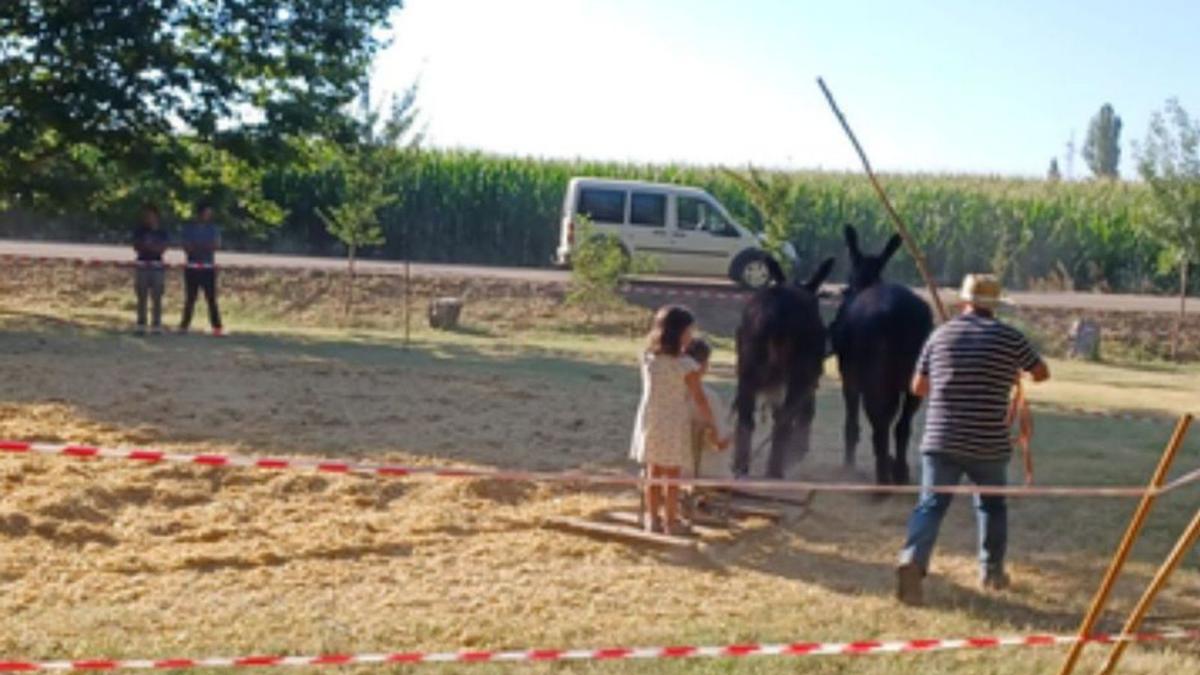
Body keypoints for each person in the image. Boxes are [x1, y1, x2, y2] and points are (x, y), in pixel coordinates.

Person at [897, 274, 1050, 605]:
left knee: (930, 505)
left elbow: (918, 388)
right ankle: (992, 572)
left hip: (941, 438)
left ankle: (913, 559)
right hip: (988, 441)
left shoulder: (940, 336)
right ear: (994, 306)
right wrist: (1011, 370)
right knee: (992, 506)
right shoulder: (1010, 338)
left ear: (964, 301)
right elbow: (1042, 372)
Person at [630, 306, 723, 535]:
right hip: (672, 421)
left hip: (651, 419)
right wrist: (713, 424)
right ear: (678, 333)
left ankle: (653, 520)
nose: (691, 336)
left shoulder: (648, 358)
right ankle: (670, 521)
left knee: (653, 471)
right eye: (689, 331)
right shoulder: (684, 365)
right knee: (672, 475)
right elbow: (699, 397)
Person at [684, 338, 732, 479]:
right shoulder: (710, 397)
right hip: (708, 472)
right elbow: (720, 443)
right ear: (703, 365)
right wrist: (730, 437)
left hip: (673, 469)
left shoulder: (671, 396)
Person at [179, 201, 224, 336]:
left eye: (209, 214)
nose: (207, 216)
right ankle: (184, 326)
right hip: (192, 267)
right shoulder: (189, 228)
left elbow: (215, 245)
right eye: (206, 213)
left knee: (211, 298)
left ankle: (217, 327)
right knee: (190, 298)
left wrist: (199, 246)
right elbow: (187, 247)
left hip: (208, 267)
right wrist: (202, 246)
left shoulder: (213, 229)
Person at [131, 203, 169, 335]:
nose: (148, 218)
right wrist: (148, 246)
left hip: (157, 266)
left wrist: (150, 246)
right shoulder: (139, 231)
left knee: (157, 295)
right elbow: (137, 246)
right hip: (142, 265)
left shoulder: (162, 232)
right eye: (146, 215)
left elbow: (162, 248)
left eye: (150, 215)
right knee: (141, 295)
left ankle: (156, 323)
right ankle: (141, 323)